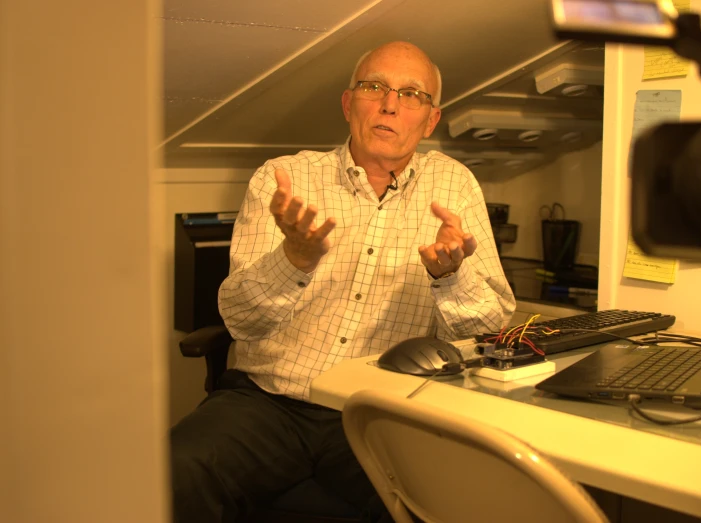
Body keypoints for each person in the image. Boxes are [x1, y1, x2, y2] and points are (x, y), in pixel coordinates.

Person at [170, 40, 516, 523]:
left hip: (382, 414)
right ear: (349, 102)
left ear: (430, 120)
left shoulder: (454, 186)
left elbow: (490, 324)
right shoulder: (284, 178)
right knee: (172, 473)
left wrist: (450, 276)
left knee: (441, 504)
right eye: (374, 87)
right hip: (269, 403)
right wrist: (294, 258)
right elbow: (240, 321)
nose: (390, 104)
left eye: (412, 94)